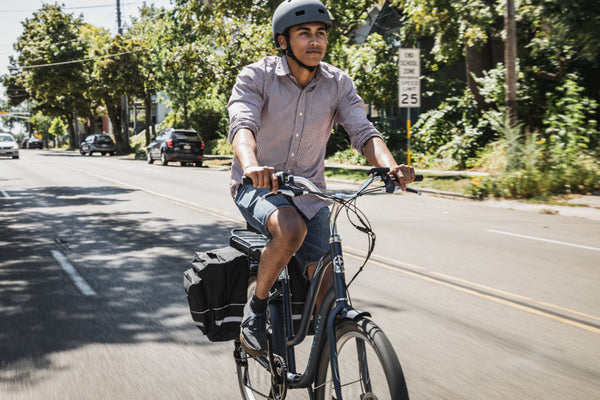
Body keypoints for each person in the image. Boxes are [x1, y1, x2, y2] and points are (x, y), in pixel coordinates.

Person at [228, 0, 415, 356]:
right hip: (258, 187)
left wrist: (391, 166)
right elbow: (243, 124)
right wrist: (252, 165)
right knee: (289, 229)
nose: (315, 41)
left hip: (311, 196)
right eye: (304, 34)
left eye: (321, 33)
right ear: (284, 41)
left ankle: (322, 372)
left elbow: (362, 131)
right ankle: (255, 310)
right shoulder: (257, 76)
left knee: (330, 300)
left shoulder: (337, 83)